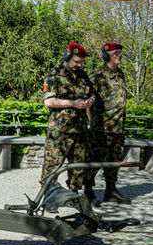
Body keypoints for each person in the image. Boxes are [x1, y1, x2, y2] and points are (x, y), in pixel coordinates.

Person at [40, 43, 94, 205]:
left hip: (80, 129)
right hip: (60, 130)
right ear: (67, 57)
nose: (79, 65)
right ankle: (49, 198)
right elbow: (48, 102)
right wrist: (73, 103)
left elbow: (91, 94)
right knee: (53, 165)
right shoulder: (54, 76)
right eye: (76, 61)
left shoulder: (83, 76)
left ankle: (73, 196)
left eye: (81, 62)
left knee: (78, 167)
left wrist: (91, 101)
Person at [83, 42, 131, 207]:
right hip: (101, 129)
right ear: (106, 55)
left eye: (120, 52)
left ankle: (111, 191)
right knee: (94, 159)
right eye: (115, 52)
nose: (119, 55)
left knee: (114, 160)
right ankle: (88, 189)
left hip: (118, 128)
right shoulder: (97, 75)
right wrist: (92, 120)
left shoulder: (120, 74)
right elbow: (88, 100)